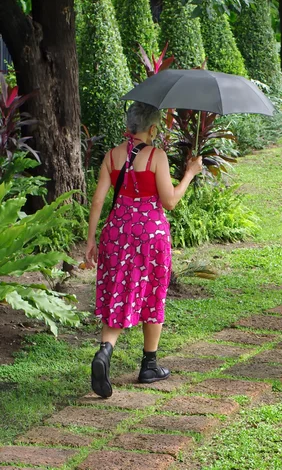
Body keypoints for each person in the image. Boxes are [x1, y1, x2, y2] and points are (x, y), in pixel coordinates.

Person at [85, 102, 202, 398]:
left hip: (116, 232)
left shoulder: (112, 156)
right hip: (150, 234)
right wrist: (189, 173)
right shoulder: (156, 156)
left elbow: (98, 201)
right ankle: (149, 364)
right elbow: (170, 201)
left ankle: (105, 351)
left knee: (118, 291)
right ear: (151, 129)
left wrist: (90, 240)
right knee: (152, 292)